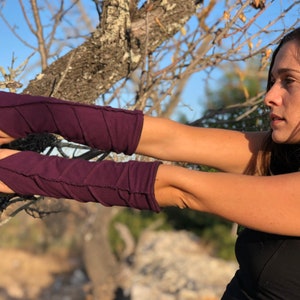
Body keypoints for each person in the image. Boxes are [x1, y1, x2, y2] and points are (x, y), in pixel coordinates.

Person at [0, 27, 299, 299]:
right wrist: (13, 114)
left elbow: (176, 186)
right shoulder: (282, 152)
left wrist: (11, 171)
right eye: (272, 81)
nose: (270, 96)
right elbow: (171, 139)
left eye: (289, 81)